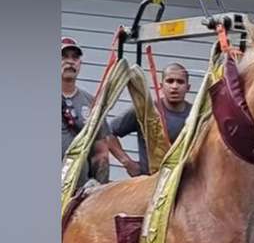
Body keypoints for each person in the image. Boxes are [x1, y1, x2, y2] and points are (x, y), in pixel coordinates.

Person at [109, 63, 194, 176]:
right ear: (161, 85)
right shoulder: (147, 112)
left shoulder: (195, 115)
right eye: (170, 81)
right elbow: (107, 132)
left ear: (188, 87)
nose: (174, 86)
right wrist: (128, 163)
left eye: (180, 82)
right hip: (149, 183)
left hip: (185, 182)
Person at [61, 36, 113, 187]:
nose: (70, 61)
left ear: (80, 63)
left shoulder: (91, 103)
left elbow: (100, 152)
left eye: (75, 57)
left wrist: (99, 191)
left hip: (78, 193)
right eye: (64, 57)